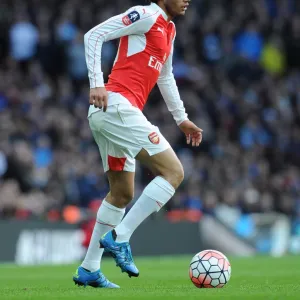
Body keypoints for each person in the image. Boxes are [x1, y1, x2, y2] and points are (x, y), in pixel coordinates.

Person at [73, 0, 200, 289]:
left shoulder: (169, 29)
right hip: (116, 106)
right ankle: (120, 236)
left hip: (114, 115)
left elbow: (165, 75)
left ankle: (89, 268)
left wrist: (181, 119)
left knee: (121, 193)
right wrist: (96, 83)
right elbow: (93, 35)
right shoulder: (146, 14)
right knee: (174, 172)